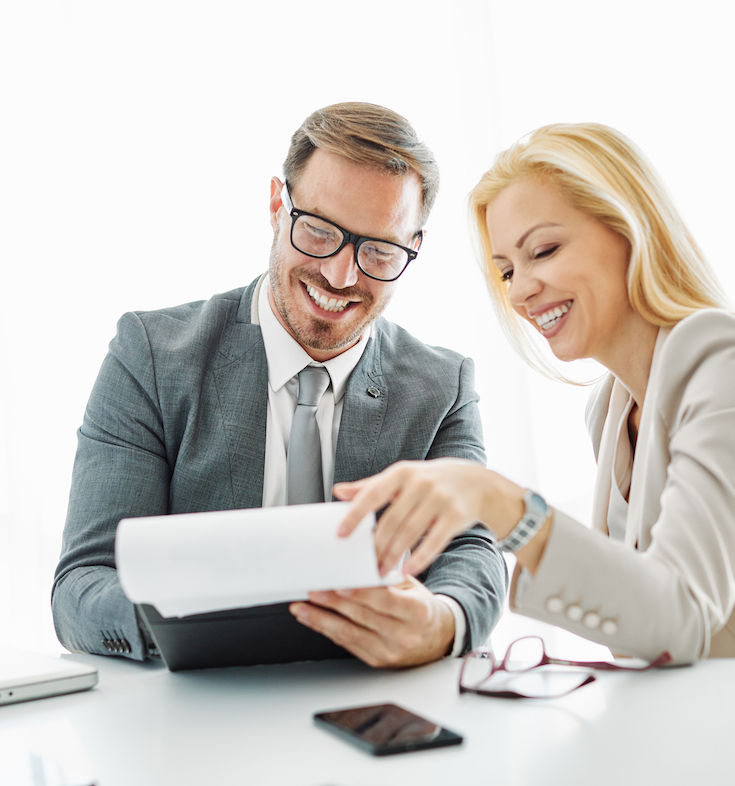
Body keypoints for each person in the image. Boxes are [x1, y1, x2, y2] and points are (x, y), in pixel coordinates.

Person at [336, 123, 735, 661]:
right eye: (507, 270)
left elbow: (679, 616)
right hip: (727, 724)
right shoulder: (609, 408)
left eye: (544, 251)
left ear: (627, 230)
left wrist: (501, 502)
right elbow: (644, 628)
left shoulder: (726, 358)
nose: (522, 291)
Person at [52, 102, 507, 668]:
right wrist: (188, 623)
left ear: (414, 248)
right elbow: (80, 584)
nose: (342, 276)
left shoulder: (443, 387)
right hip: (196, 715)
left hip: (369, 704)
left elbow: (473, 552)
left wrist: (442, 623)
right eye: (319, 232)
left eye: (380, 251)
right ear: (277, 206)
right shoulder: (150, 357)